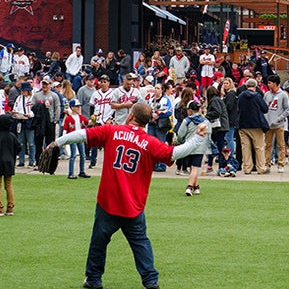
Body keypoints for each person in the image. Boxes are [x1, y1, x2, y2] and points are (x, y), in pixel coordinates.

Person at [49, 102, 207, 289]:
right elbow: (175, 153)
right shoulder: (150, 142)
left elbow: (82, 135)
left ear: (131, 116)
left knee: (98, 243)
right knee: (141, 244)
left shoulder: (111, 131)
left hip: (108, 202)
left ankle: (93, 279)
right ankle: (150, 281)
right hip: (133, 205)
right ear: (147, 122)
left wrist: (57, 142)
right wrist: (197, 138)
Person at [175, 100, 210, 196]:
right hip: (200, 147)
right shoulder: (205, 121)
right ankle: (195, 186)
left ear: (190, 110)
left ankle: (190, 187)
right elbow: (208, 134)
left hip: (189, 146)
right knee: (195, 167)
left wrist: (180, 141)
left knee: (192, 167)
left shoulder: (186, 121)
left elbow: (180, 134)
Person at [237, 77, 269, 175]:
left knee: (245, 148)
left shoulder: (241, 96)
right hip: (256, 124)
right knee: (259, 147)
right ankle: (261, 167)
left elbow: (238, 108)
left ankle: (247, 168)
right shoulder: (257, 96)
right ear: (255, 86)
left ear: (246, 86)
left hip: (243, 124)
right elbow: (265, 109)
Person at [263, 74, 289, 173]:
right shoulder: (266, 95)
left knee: (281, 145)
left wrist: (279, 118)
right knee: (268, 145)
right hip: (269, 124)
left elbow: (287, 110)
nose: (268, 84)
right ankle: (267, 163)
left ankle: (280, 163)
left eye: (270, 83)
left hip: (279, 124)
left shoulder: (283, 95)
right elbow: (264, 108)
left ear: (275, 83)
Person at [63, 100, 91, 179]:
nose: (79, 108)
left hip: (80, 138)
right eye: (77, 106)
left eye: (79, 106)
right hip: (72, 138)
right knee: (73, 155)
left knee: (83, 155)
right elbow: (65, 129)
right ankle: (70, 173)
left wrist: (94, 119)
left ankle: (81, 171)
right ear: (72, 107)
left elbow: (88, 122)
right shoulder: (69, 118)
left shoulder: (80, 117)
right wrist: (64, 141)